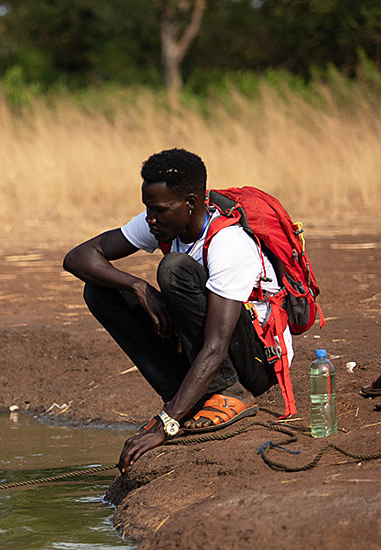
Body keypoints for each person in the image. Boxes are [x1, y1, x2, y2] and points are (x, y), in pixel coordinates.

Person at [62, 148, 291, 474]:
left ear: (191, 203)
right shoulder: (161, 223)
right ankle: (192, 400)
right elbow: (78, 257)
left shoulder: (227, 242)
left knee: (174, 269)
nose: (150, 219)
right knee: (101, 290)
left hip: (255, 361)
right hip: (210, 350)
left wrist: (165, 424)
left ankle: (229, 396)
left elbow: (215, 347)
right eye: (147, 210)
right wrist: (137, 287)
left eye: (158, 210)